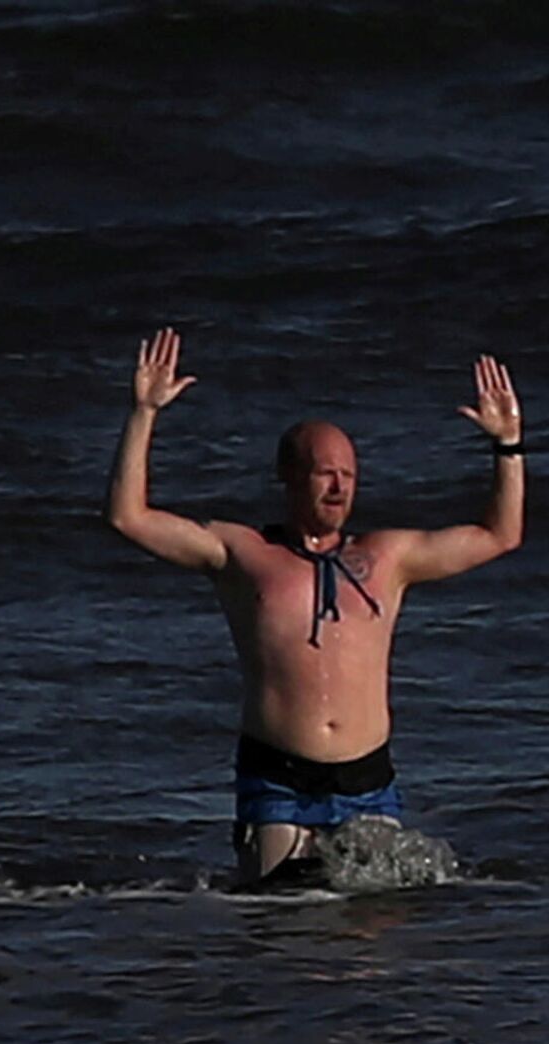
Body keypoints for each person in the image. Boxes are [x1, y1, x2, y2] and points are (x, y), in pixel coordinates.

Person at [107, 330, 526, 884]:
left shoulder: (387, 557)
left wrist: (508, 446)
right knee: (282, 936)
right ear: (287, 476)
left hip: (368, 781)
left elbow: (501, 534)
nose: (338, 486)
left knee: (371, 948)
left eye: (348, 475)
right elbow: (128, 518)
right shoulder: (244, 553)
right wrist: (143, 414)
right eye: (324, 472)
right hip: (277, 782)